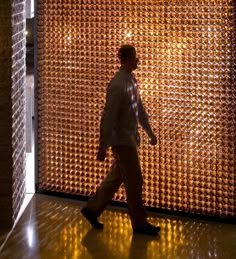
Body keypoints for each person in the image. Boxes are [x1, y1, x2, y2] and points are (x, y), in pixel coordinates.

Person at [81, 45, 160, 236]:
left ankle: (92, 209)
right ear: (126, 59)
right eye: (135, 57)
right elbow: (109, 117)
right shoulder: (118, 84)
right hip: (123, 142)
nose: (138, 60)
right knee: (134, 182)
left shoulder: (131, 81)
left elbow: (139, 110)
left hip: (130, 139)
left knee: (117, 177)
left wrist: (150, 132)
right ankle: (140, 224)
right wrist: (103, 145)